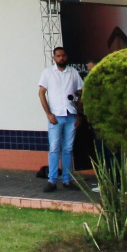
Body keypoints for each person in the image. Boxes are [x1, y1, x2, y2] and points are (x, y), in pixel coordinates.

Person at [38, 45, 83, 192]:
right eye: (58, 56)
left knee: (68, 149)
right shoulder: (48, 72)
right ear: (54, 57)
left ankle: (67, 180)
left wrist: (79, 114)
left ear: (66, 57)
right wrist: (48, 114)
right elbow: (41, 93)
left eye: (63, 55)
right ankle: (51, 180)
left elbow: (81, 92)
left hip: (71, 115)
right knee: (54, 148)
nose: (61, 58)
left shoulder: (73, 72)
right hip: (56, 116)